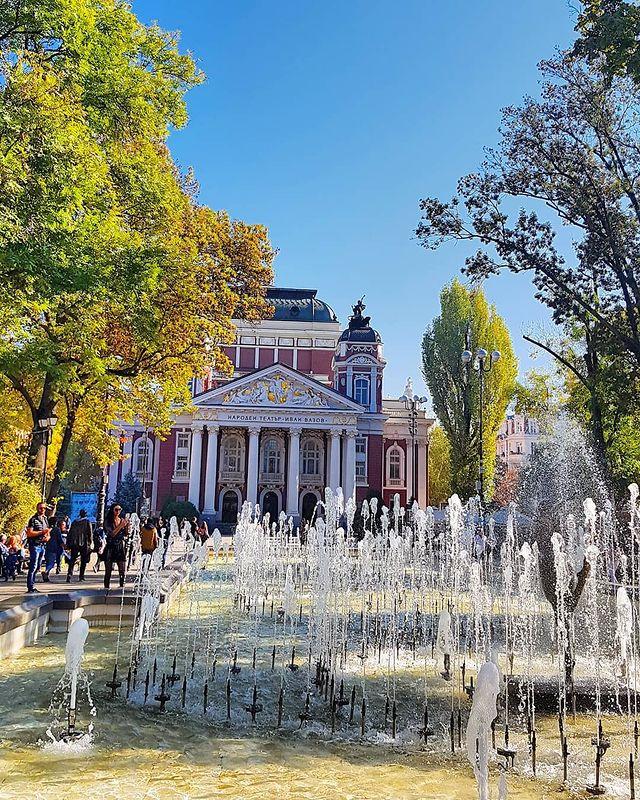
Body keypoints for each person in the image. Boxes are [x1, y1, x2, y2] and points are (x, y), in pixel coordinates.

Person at [25, 502, 51, 593]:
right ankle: (30, 586)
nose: (42, 510)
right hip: (35, 545)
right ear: (37, 509)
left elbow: (47, 532)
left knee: (38, 567)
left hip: (42, 545)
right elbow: (29, 533)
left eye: (44, 508)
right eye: (40, 508)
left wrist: (47, 537)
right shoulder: (33, 519)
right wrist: (41, 532)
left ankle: (33, 584)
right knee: (33, 566)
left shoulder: (45, 519)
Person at [103, 504, 129, 589]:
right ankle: (106, 588)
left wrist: (127, 526)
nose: (118, 512)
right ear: (112, 510)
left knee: (122, 570)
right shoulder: (108, 521)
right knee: (108, 571)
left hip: (120, 546)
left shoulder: (121, 520)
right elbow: (112, 534)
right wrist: (121, 525)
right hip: (110, 546)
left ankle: (122, 587)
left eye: (119, 510)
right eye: (116, 510)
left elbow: (126, 534)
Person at [66, 509, 94, 583]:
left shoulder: (74, 522)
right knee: (83, 561)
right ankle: (81, 576)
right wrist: (90, 543)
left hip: (74, 544)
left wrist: (69, 543)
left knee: (72, 560)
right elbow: (90, 534)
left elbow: (70, 533)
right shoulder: (87, 522)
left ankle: (69, 575)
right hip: (84, 544)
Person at [43, 516, 65, 581]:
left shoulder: (47, 529)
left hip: (47, 547)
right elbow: (60, 539)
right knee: (51, 563)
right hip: (55, 548)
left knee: (48, 562)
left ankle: (46, 577)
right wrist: (64, 545)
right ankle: (46, 572)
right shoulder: (57, 529)